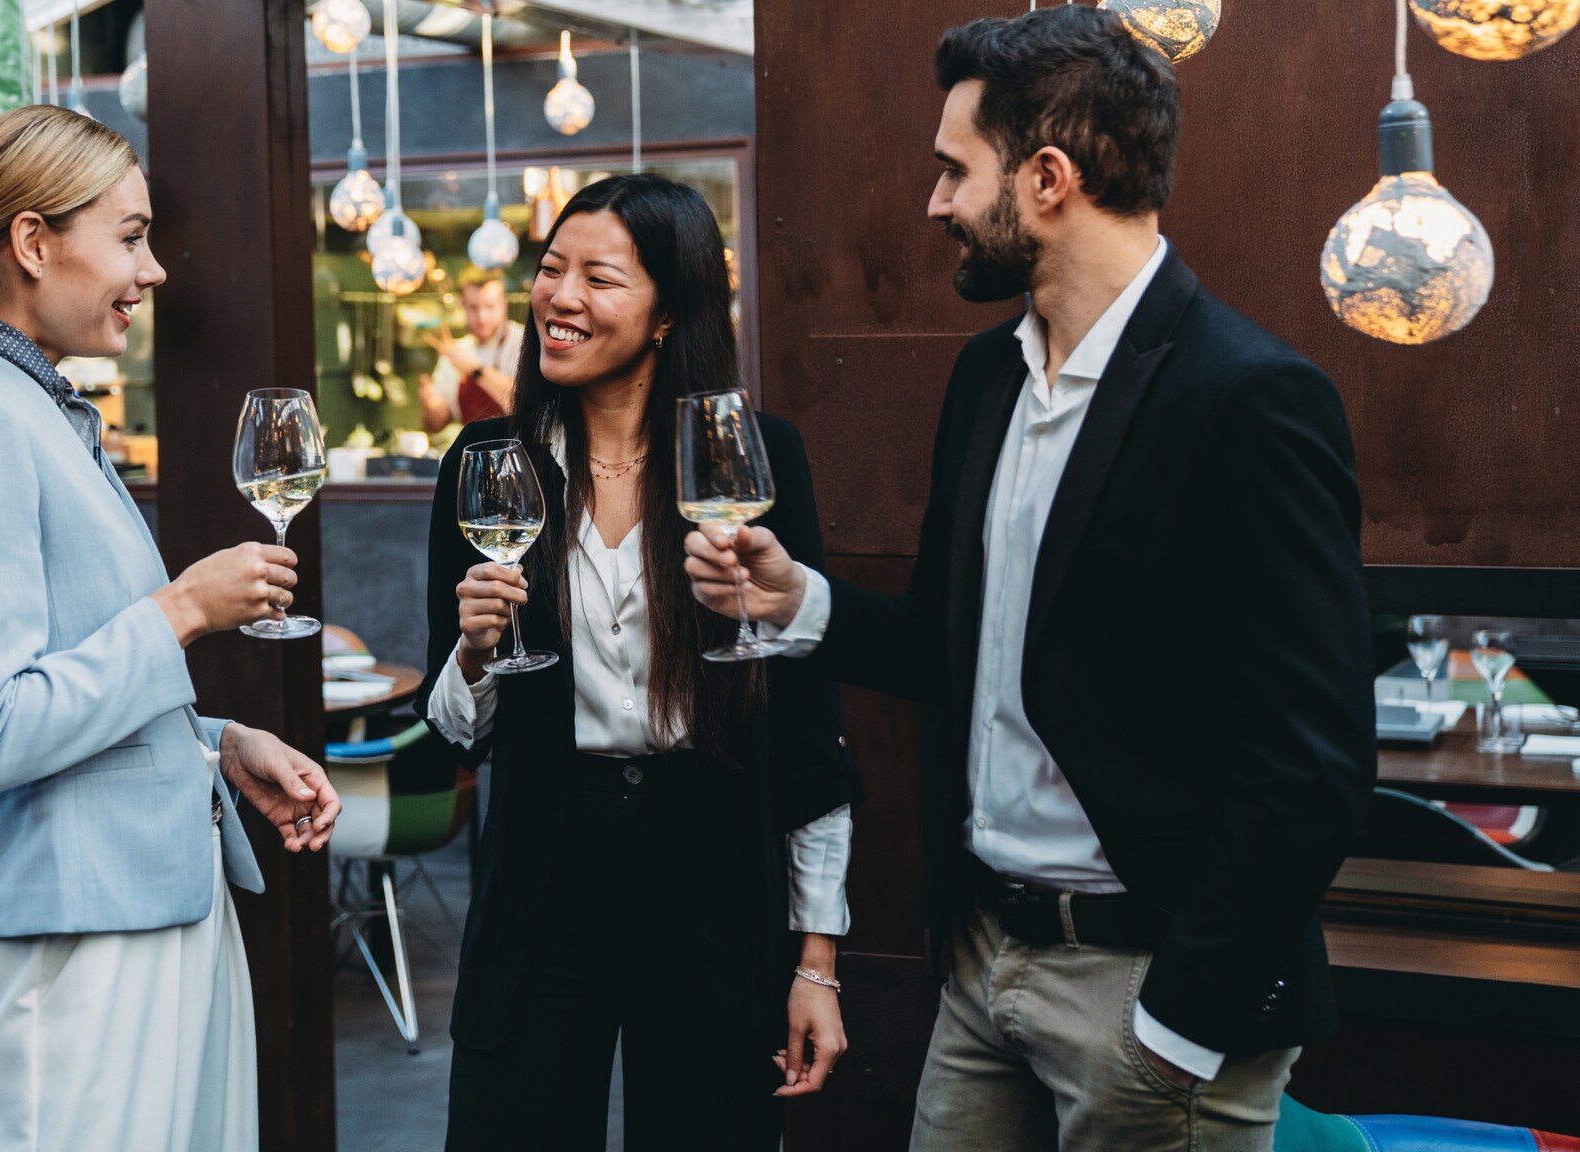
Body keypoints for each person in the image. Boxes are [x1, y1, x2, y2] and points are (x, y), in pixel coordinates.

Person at [682, 9, 1375, 1151]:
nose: (934, 202)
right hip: (978, 966)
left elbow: (1311, 765)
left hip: (1147, 994)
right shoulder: (984, 382)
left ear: (1046, 179)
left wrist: (1178, 1026)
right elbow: (954, 647)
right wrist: (794, 601)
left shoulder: (1249, 399)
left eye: (954, 169)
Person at [0, 105, 341, 1152]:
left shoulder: (38, 410)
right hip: (70, 953)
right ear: (32, 243)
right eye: (129, 236)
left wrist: (215, 744)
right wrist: (180, 611)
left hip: (150, 916)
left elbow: (66, 676)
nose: (154, 269)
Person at [418, 173, 862, 1152]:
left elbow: (805, 727)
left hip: (706, 864)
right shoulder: (489, 463)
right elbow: (452, 726)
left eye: (598, 278)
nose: (558, 298)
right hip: (543, 869)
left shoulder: (749, 459)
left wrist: (814, 960)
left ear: (669, 313)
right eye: (549, 270)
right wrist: (475, 650)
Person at [419, 265, 525, 432]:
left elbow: (524, 406)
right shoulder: (457, 351)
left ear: (504, 304)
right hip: (472, 454)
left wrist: (475, 369)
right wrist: (430, 405)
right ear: (463, 306)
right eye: (473, 308)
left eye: (490, 307)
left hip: (516, 451)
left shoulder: (523, 342)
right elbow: (435, 425)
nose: (482, 317)